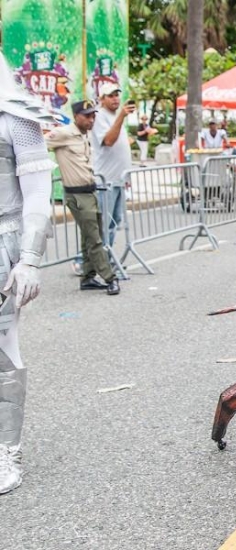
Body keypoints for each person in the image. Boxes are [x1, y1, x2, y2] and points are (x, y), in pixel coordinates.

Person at [0, 53, 54, 494]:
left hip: (4, 241)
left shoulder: (17, 115)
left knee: (2, 352)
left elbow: (38, 193)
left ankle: (6, 451)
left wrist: (30, 258)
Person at [46, 100, 120, 296]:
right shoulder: (64, 134)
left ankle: (88, 277)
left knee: (91, 237)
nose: (91, 119)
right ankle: (110, 278)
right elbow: (39, 145)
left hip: (89, 191)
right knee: (95, 239)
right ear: (76, 116)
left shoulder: (82, 136)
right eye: (87, 116)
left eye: (93, 116)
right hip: (77, 194)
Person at [91, 82, 135, 248]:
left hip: (119, 179)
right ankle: (85, 260)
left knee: (114, 221)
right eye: (110, 95)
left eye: (117, 95)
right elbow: (109, 141)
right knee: (103, 222)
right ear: (102, 99)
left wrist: (127, 175)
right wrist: (121, 117)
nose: (115, 99)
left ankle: (107, 258)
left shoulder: (115, 117)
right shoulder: (99, 116)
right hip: (106, 180)